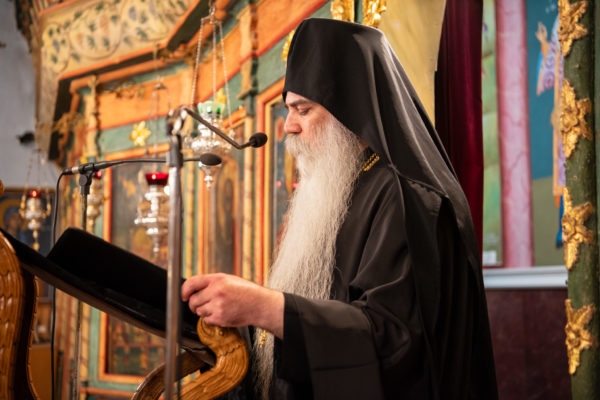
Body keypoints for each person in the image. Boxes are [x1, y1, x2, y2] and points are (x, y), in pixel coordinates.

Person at [181, 18, 498, 399]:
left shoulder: (406, 199)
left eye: (303, 110)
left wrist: (265, 307)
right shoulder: (335, 188)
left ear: (349, 110)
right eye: (288, 110)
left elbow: (395, 341)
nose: (288, 127)